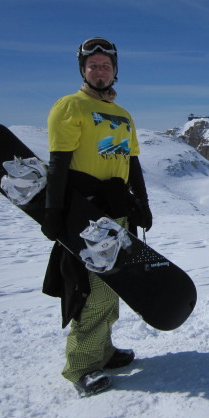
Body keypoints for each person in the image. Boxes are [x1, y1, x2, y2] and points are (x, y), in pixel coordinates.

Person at [41, 37, 153, 397]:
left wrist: (143, 203)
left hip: (117, 211)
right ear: (83, 71)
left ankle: (102, 351)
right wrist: (53, 212)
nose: (100, 71)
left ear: (115, 70)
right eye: (93, 66)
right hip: (87, 215)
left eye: (106, 65)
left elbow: (131, 163)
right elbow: (58, 163)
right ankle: (81, 367)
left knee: (113, 286)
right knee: (92, 291)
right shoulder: (70, 106)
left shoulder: (123, 115)